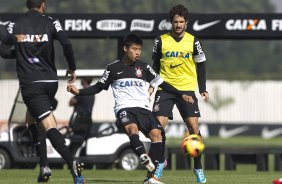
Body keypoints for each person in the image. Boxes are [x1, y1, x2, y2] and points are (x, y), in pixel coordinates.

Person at [67, 33, 194, 184]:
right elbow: (98, 87)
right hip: (124, 108)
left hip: (143, 108)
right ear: (125, 48)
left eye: (139, 49)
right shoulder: (112, 68)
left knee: (157, 134)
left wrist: (181, 94)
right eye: (134, 49)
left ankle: (151, 178)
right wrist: (79, 92)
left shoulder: (144, 67)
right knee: (132, 129)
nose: (138, 52)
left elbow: (163, 83)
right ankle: (142, 156)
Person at [0, 0, 84, 183]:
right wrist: (72, 67)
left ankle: (73, 164)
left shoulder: (16, 23)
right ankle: (44, 166)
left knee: (48, 126)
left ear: (26, 4)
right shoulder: (51, 21)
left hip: (32, 84)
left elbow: (4, 46)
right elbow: (66, 44)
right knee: (32, 122)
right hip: (51, 82)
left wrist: (17, 44)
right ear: (43, 4)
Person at [151, 4, 209, 183]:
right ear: (171, 22)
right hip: (165, 88)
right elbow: (155, 65)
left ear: (186, 22)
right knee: (158, 128)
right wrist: (153, 84)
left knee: (193, 128)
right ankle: (160, 162)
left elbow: (201, 65)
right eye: (175, 22)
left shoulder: (194, 41)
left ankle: (198, 168)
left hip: (187, 88)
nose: (178, 25)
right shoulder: (160, 40)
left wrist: (202, 88)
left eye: (181, 22)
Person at [68, 77, 94, 155]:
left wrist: (74, 93)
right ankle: (84, 159)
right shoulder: (92, 92)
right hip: (88, 119)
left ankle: (70, 157)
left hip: (79, 120)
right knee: (85, 140)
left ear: (85, 81)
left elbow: (71, 103)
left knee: (75, 140)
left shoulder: (81, 92)